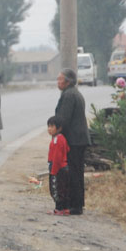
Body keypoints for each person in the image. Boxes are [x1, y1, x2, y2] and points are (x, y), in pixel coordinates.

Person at [54, 68, 90, 215]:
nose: (58, 82)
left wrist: (55, 133)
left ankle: (75, 206)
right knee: (77, 172)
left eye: (60, 79)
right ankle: (77, 204)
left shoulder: (69, 95)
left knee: (73, 173)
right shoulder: (73, 93)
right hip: (78, 139)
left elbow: (64, 119)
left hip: (74, 140)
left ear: (67, 81)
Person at [47, 116, 70, 215]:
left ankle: (59, 209)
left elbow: (57, 157)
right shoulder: (61, 138)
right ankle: (64, 208)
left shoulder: (57, 140)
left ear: (59, 128)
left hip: (58, 168)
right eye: (48, 126)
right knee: (63, 188)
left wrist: (53, 171)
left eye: (52, 126)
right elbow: (67, 149)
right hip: (63, 167)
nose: (49, 129)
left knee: (56, 189)